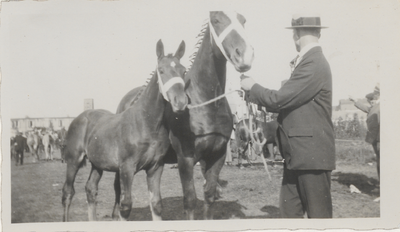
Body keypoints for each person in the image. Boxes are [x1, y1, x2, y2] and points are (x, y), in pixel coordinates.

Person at [240, 14, 335, 218]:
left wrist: (252, 87)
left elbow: (280, 99)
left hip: (311, 157)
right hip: (298, 155)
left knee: (319, 218)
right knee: (289, 215)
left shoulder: (313, 63)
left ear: (296, 34)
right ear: (318, 33)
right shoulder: (310, 61)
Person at [350, 84, 380, 179]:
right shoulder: (373, 108)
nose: (371, 103)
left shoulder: (380, 107)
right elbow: (365, 108)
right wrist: (355, 101)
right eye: (369, 101)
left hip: (380, 139)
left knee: (382, 162)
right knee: (379, 160)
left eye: (372, 100)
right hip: (375, 139)